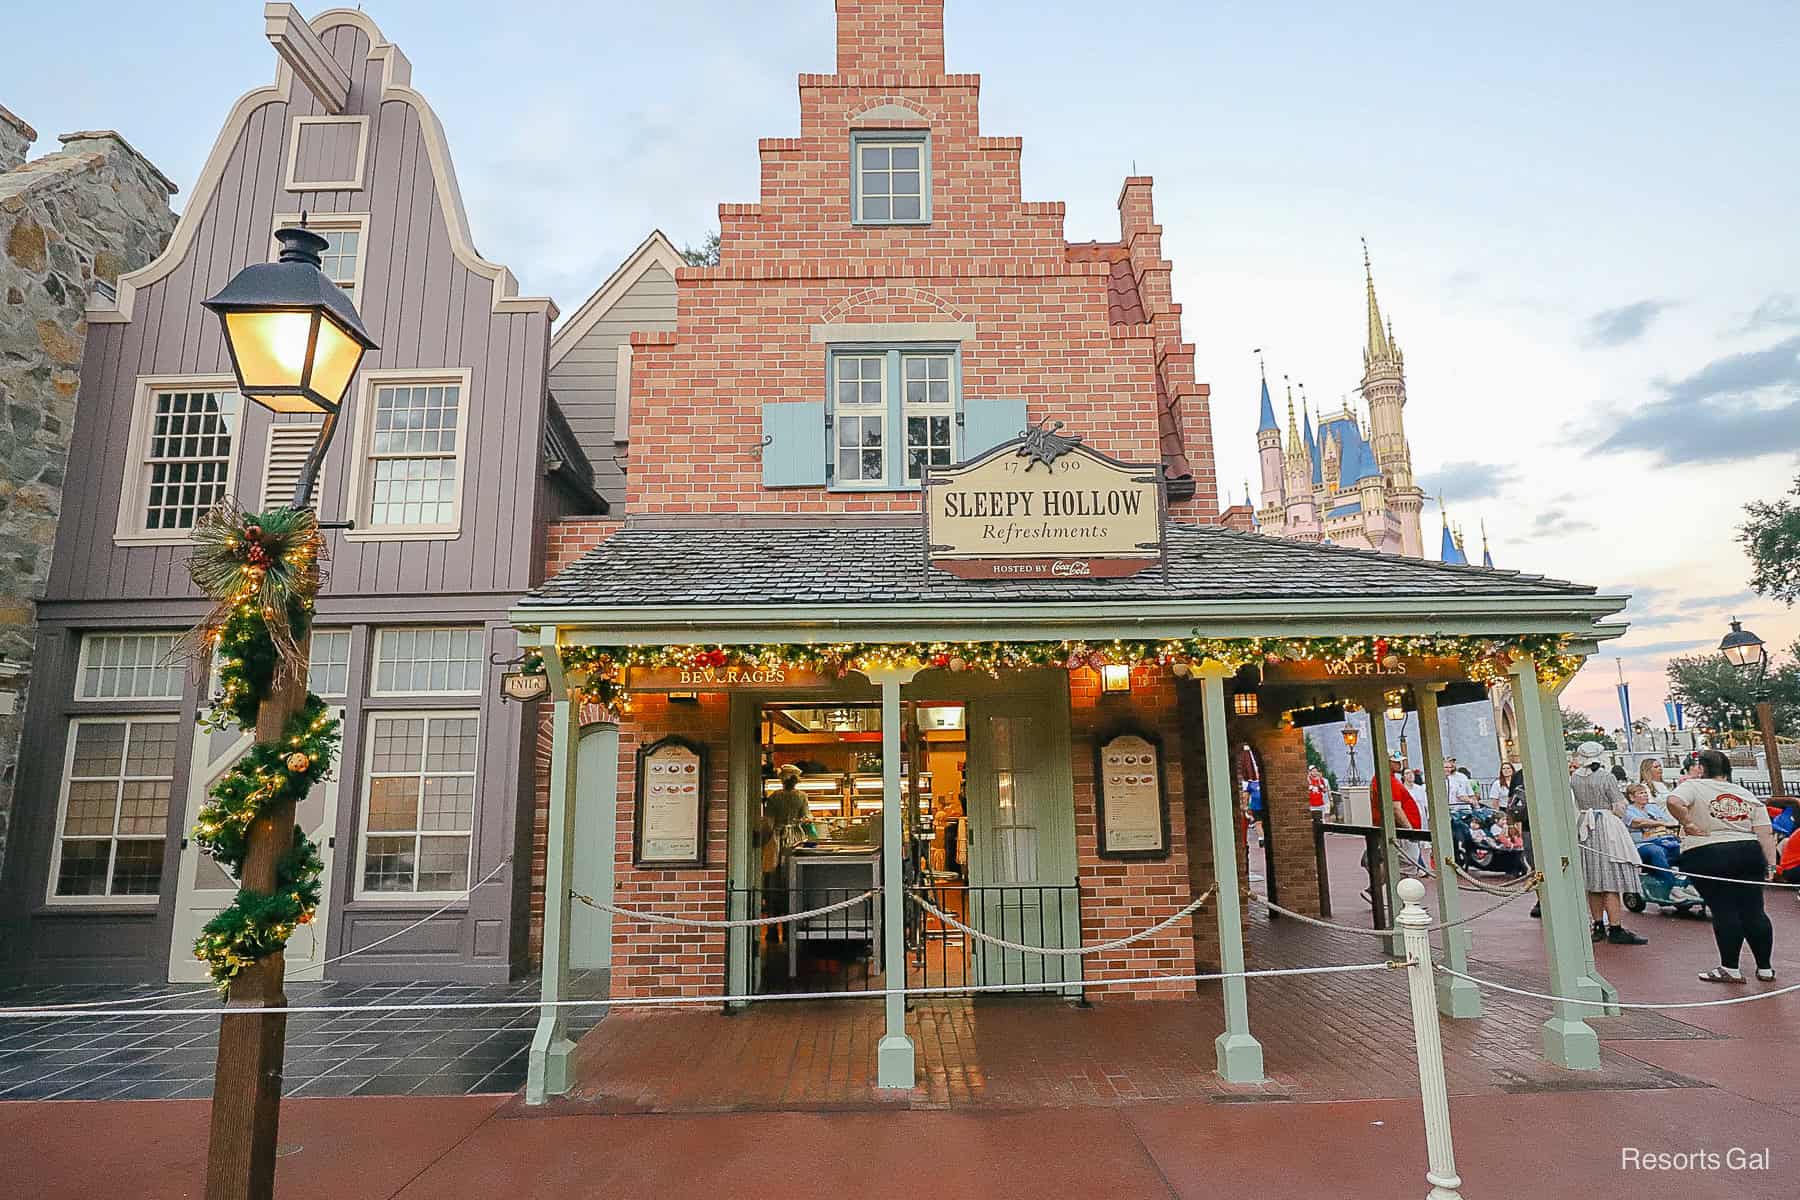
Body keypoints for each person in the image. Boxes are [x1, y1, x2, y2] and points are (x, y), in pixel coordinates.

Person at [1669, 748, 1777, 983]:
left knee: (1724, 909)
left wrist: (1688, 822)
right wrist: (1771, 865)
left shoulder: (1693, 786)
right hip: (1748, 850)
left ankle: (1730, 967)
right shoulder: (1745, 793)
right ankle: (1765, 968)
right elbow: (1765, 832)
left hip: (1707, 850)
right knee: (1753, 909)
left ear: (1701, 768)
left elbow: (1674, 801)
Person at [1569, 741, 1649, 945]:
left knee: (1593, 880)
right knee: (1610, 878)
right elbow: (1619, 806)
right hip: (1605, 825)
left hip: (1584, 826)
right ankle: (1615, 927)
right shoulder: (1607, 777)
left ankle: (1597, 925)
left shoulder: (1575, 777)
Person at [1622, 782, 1700, 901]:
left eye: (1645, 793)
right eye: (1641, 793)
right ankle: (1672, 887)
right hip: (1643, 845)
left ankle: (1689, 885)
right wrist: (1660, 823)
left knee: (1689, 849)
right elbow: (1638, 822)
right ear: (1632, 797)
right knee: (1656, 851)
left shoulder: (1652, 807)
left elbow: (1669, 822)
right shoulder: (1627, 810)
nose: (1645, 795)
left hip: (1664, 840)